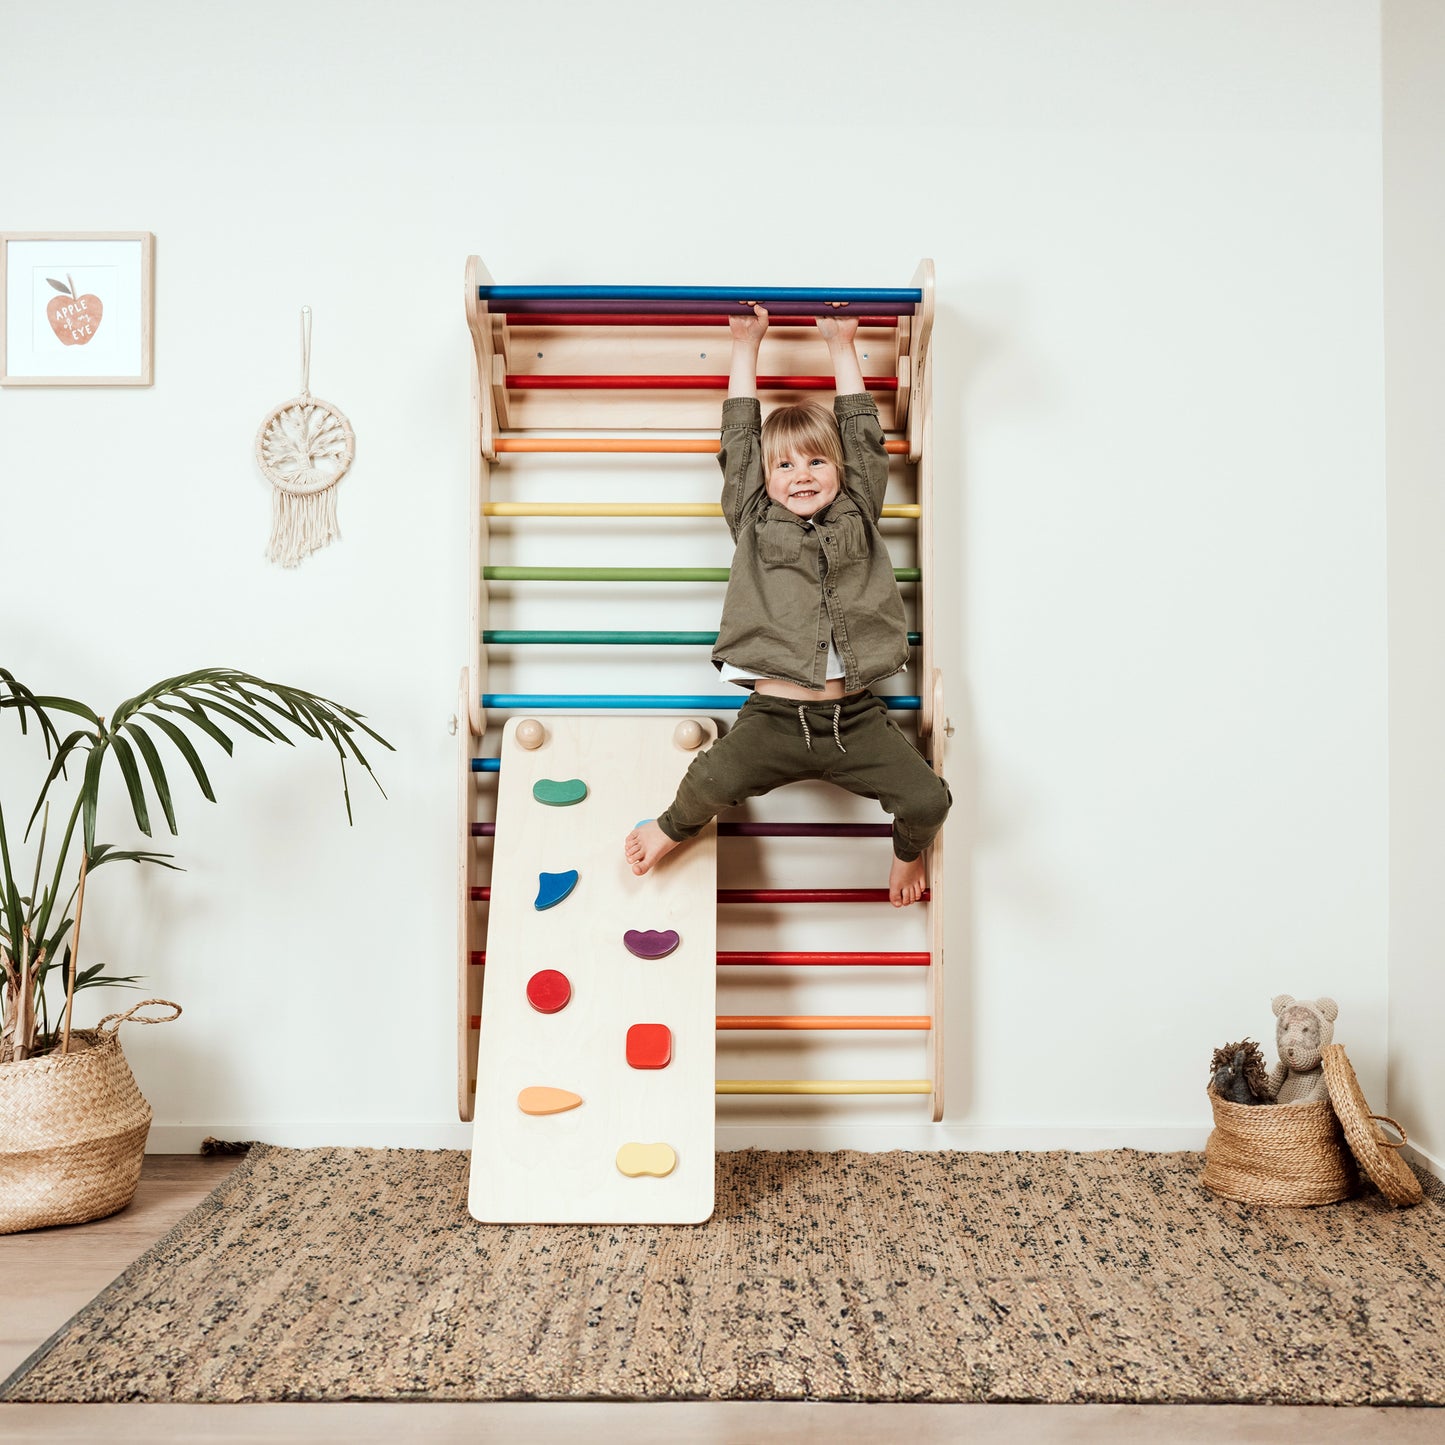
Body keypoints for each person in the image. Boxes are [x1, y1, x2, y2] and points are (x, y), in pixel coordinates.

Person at [623, 305, 951, 906]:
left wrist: (841, 345)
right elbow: (739, 443)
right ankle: (669, 830)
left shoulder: (859, 508)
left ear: (839, 471)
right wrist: (747, 345)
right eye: (785, 464)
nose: (802, 474)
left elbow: (863, 436)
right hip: (774, 719)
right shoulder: (753, 518)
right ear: (767, 478)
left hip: (854, 719)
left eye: (817, 461)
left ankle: (907, 855)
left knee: (930, 799)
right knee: (708, 781)